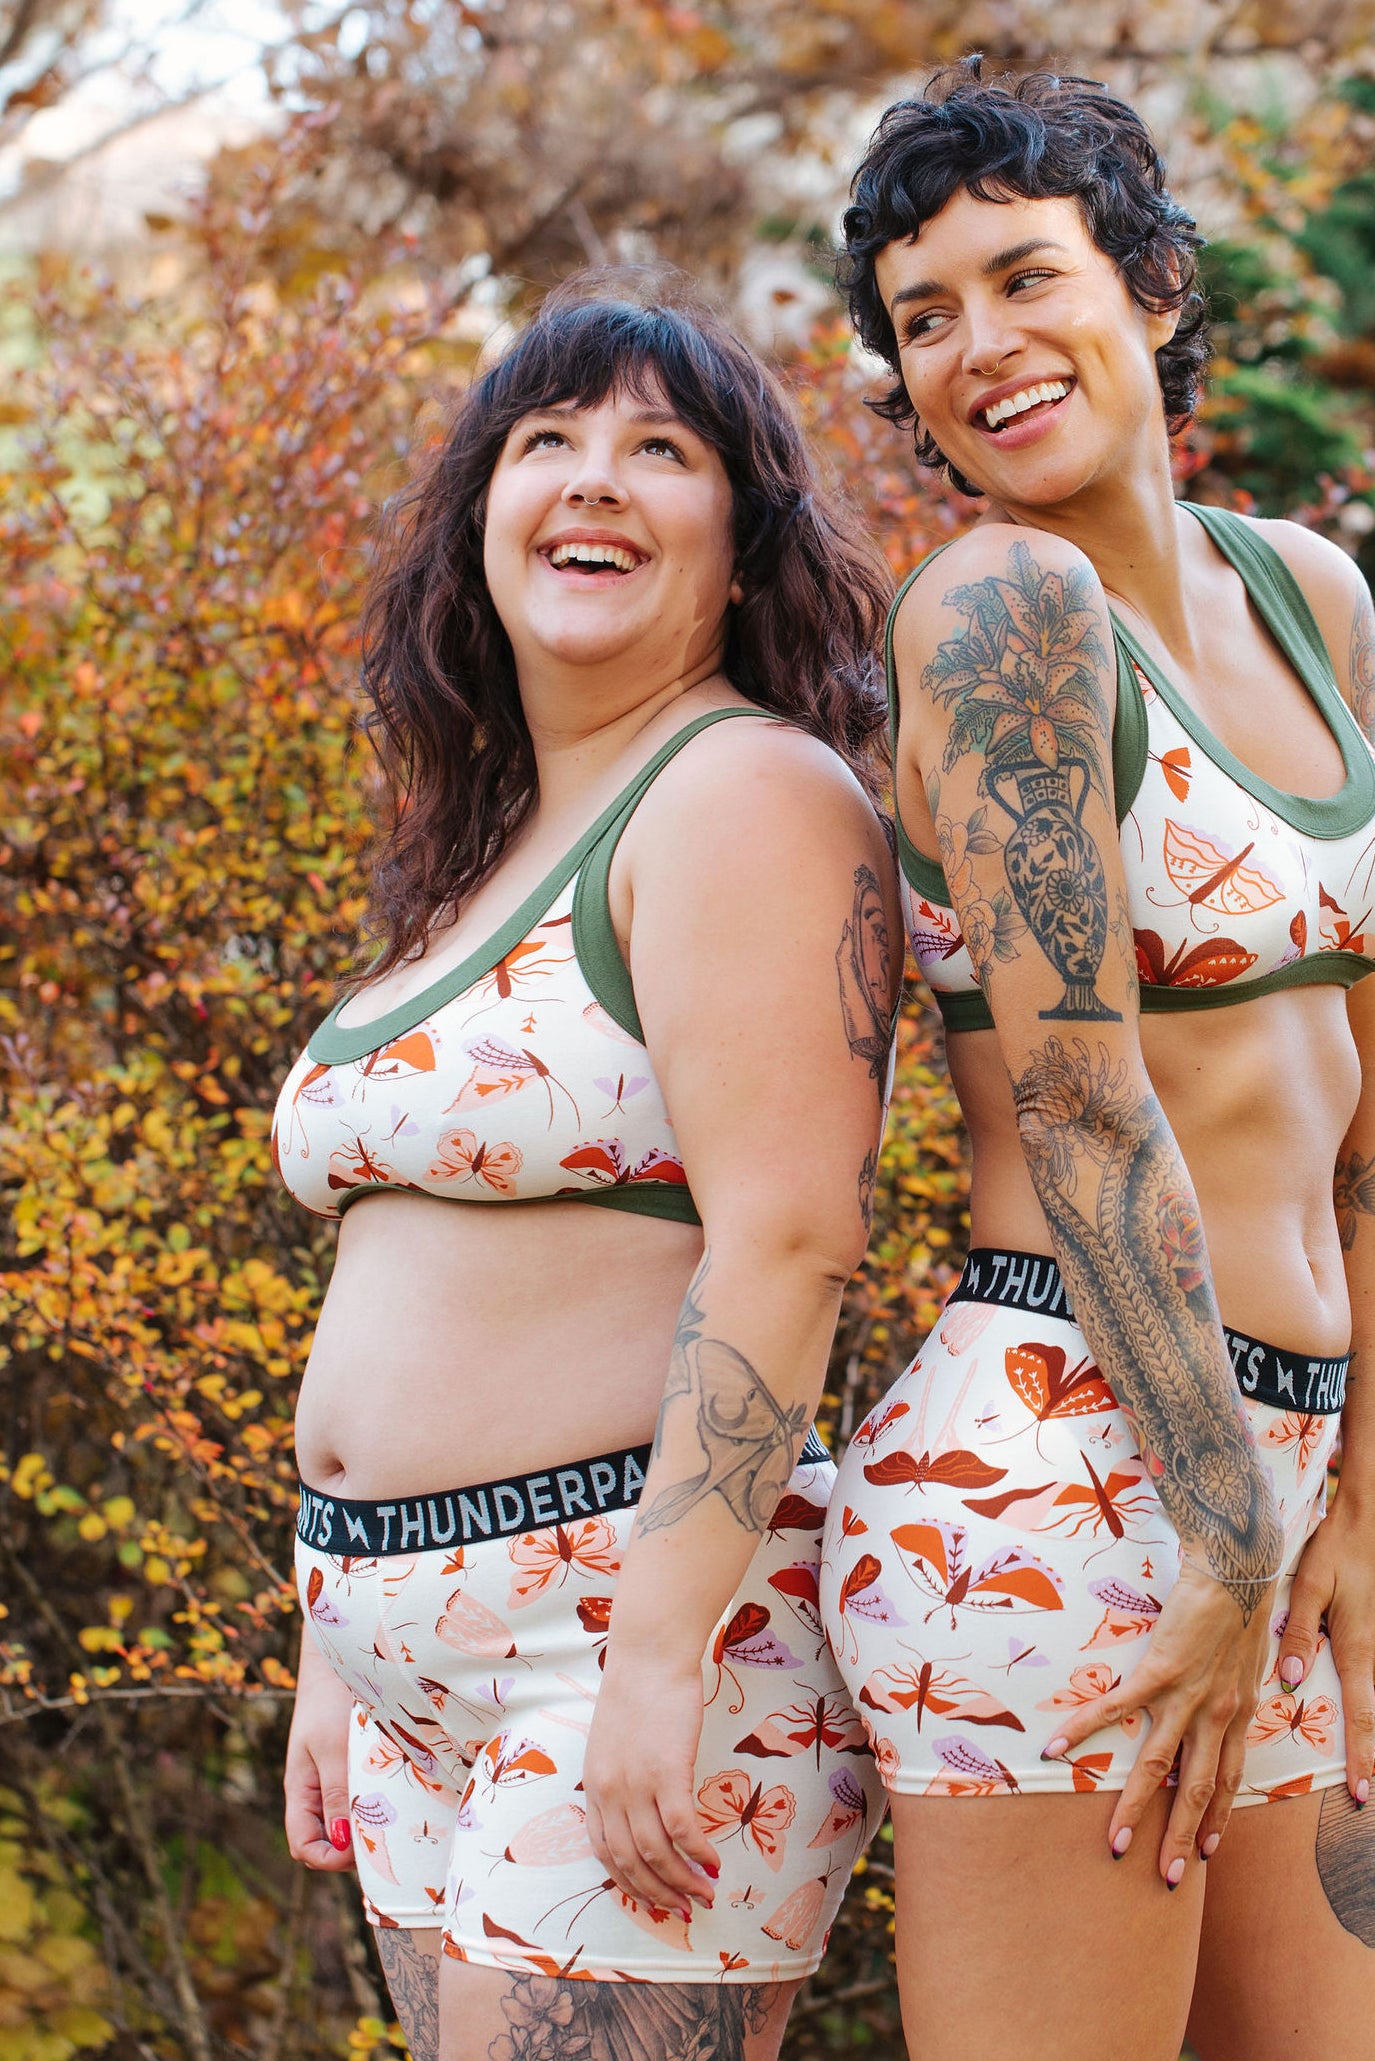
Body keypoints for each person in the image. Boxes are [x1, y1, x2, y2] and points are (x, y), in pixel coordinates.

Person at [819, 63, 1375, 2061]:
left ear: (1158, 288)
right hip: (1074, 1475)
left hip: (1282, 1482)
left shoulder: (1307, 591)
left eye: (1027, 278)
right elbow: (1087, 1102)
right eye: (925, 320)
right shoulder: (1003, 614)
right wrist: (1222, 1516)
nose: (981, 350)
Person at [274, 278, 898, 2061]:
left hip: (621, 1635)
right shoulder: (486, 845)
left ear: (742, 535)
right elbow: (408, 1253)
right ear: (478, 518)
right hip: (401, 1648)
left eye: (660, 449)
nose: (592, 480)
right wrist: (341, 1630)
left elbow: (786, 1241)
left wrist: (655, 1660)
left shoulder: (741, 793)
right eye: (543, 442)